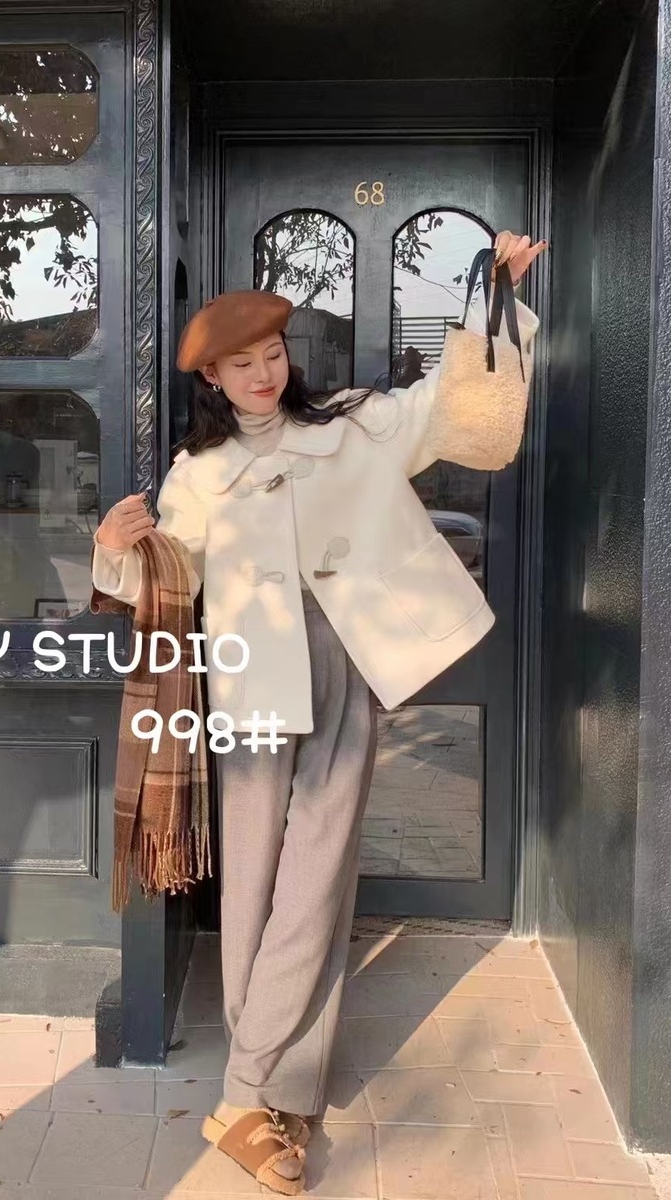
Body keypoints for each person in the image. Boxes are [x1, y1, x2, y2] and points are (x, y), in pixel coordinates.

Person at [92, 230, 546, 1196]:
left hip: (342, 664)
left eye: (272, 354)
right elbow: (170, 581)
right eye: (241, 364)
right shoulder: (198, 473)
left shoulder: (353, 423)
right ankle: (273, 1092)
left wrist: (491, 302)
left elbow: (456, 413)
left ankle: (253, 1090)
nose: (263, 374)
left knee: (317, 878)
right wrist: (116, 550)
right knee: (256, 883)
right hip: (250, 679)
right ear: (212, 377)